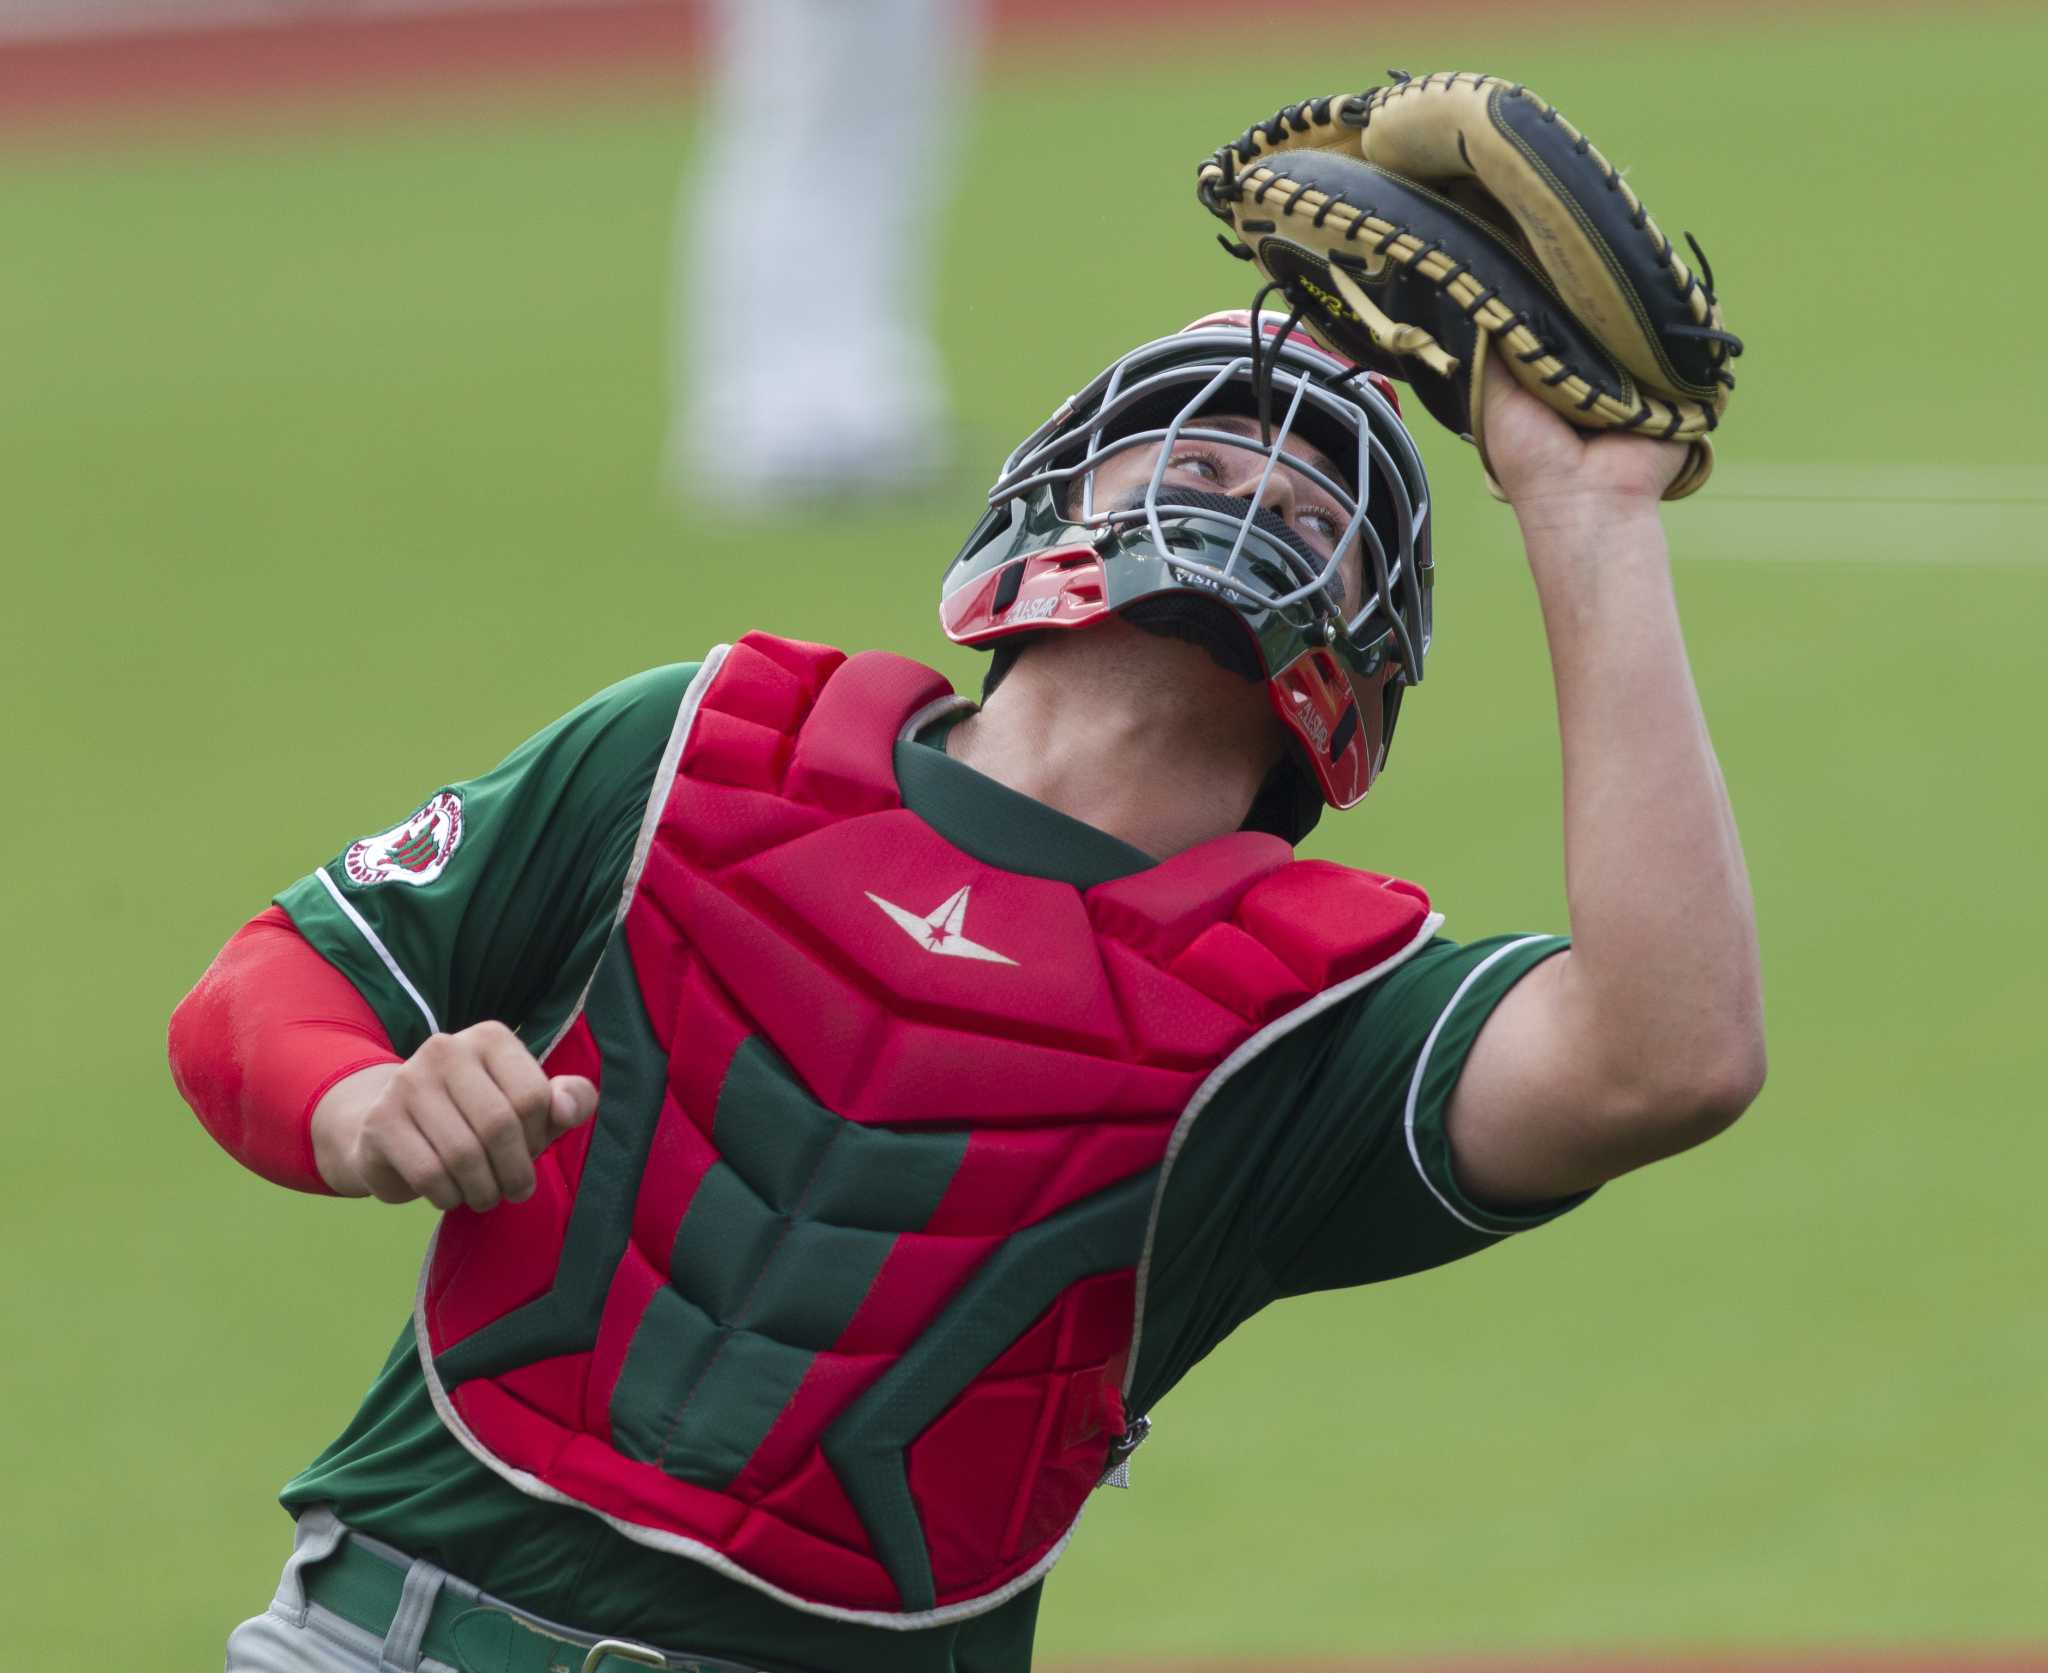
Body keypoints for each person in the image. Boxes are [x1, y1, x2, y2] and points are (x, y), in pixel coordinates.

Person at [170, 311, 1765, 1673]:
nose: (1254, 489)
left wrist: (1587, 507)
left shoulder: (1319, 1009)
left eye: (1316, 499)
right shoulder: (703, 745)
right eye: (1200, 457)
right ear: (1047, 508)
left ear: (1362, 656)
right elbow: (265, 985)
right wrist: (367, 1101)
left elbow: (1670, 1053)